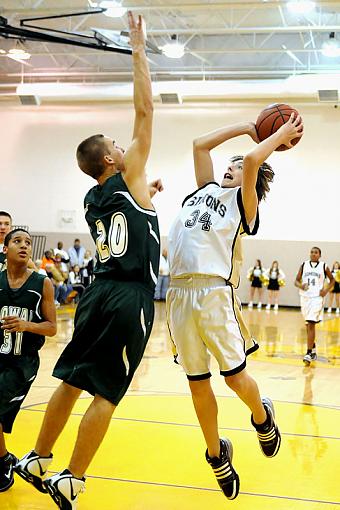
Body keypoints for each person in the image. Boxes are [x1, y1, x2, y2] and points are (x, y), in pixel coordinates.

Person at [15, 12, 162, 510]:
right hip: (128, 296)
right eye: (118, 147)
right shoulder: (129, 172)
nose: (126, 146)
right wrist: (138, 48)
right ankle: (72, 478)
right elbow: (145, 112)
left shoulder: (93, 198)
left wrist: (149, 196)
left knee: (73, 378)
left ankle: (37, 457)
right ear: (110, 161)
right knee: (108, 393)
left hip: (97, 293)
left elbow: (131, 214)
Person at [166, 114, 303, 500]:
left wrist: (275, 137)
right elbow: (199, 144)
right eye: (232, 163)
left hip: (213, 294)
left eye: (240, 165)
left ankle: (262, 417)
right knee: (197, 384)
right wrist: (245, 127)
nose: (233, 167)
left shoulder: (245, 203)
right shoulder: (199, 194)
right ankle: (216, 454)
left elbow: (255, 163)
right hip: (178, 295)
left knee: (233, 378)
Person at [0, 229, 56, 491]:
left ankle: (3, 462)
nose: (24, 246)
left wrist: (26, 325)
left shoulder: (42, 283)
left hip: (22, 364)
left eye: (28, 243)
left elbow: (52, 327)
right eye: (17, 241)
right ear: (5, 249)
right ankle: (4, 459)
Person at [294, 247, 334, 364]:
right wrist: (301, 286)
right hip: (305, 297)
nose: (313, 254)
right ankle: (313, 348)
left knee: (311, 323)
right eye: (311, 252)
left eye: (316, 252)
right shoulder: (304, 265)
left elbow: (332, 280)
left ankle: (308, 352)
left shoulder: (323, 266)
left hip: (317, 297)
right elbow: (296, 280)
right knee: (308, 324)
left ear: (319, 255)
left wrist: (325, 291)